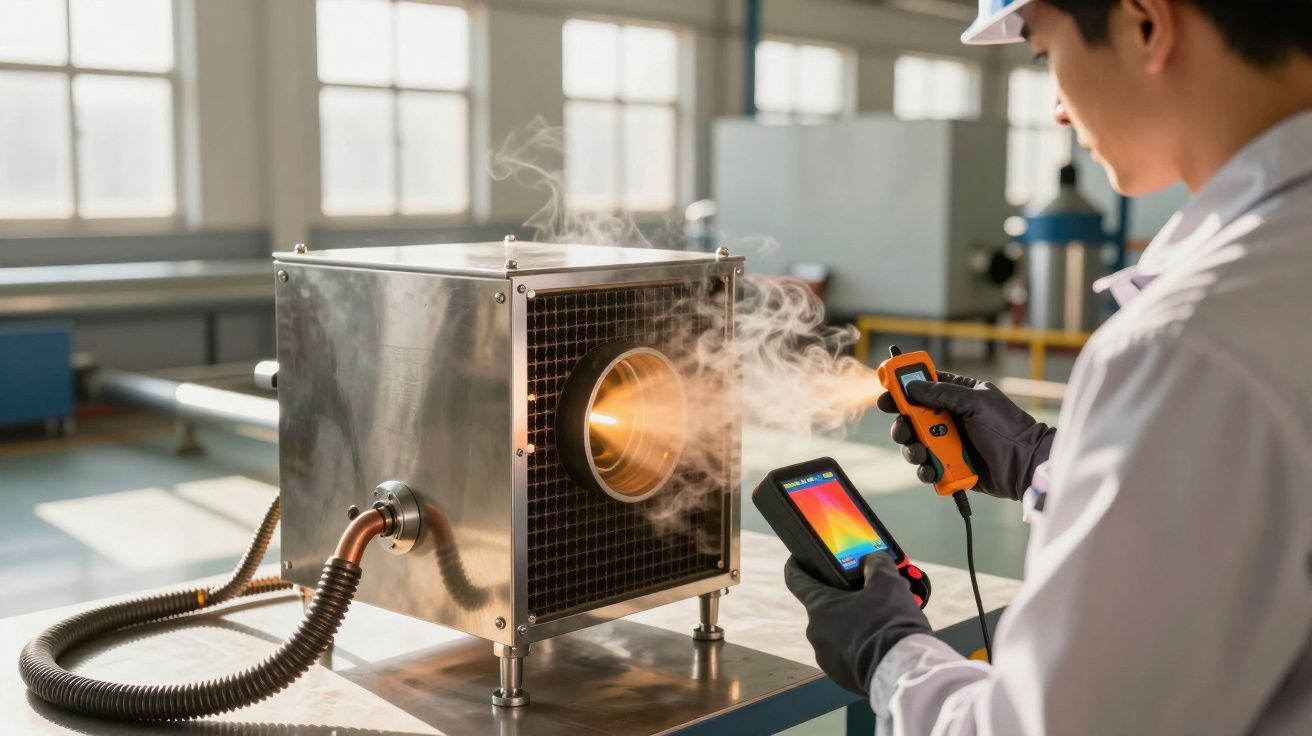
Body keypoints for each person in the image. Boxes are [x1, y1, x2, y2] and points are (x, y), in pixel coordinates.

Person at [783, 1, 1312, 733]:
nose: (1058, 109)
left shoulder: (1195, 343)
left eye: (1043, 54)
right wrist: (1044, 460)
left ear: (1146, 24)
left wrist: (889, 651)